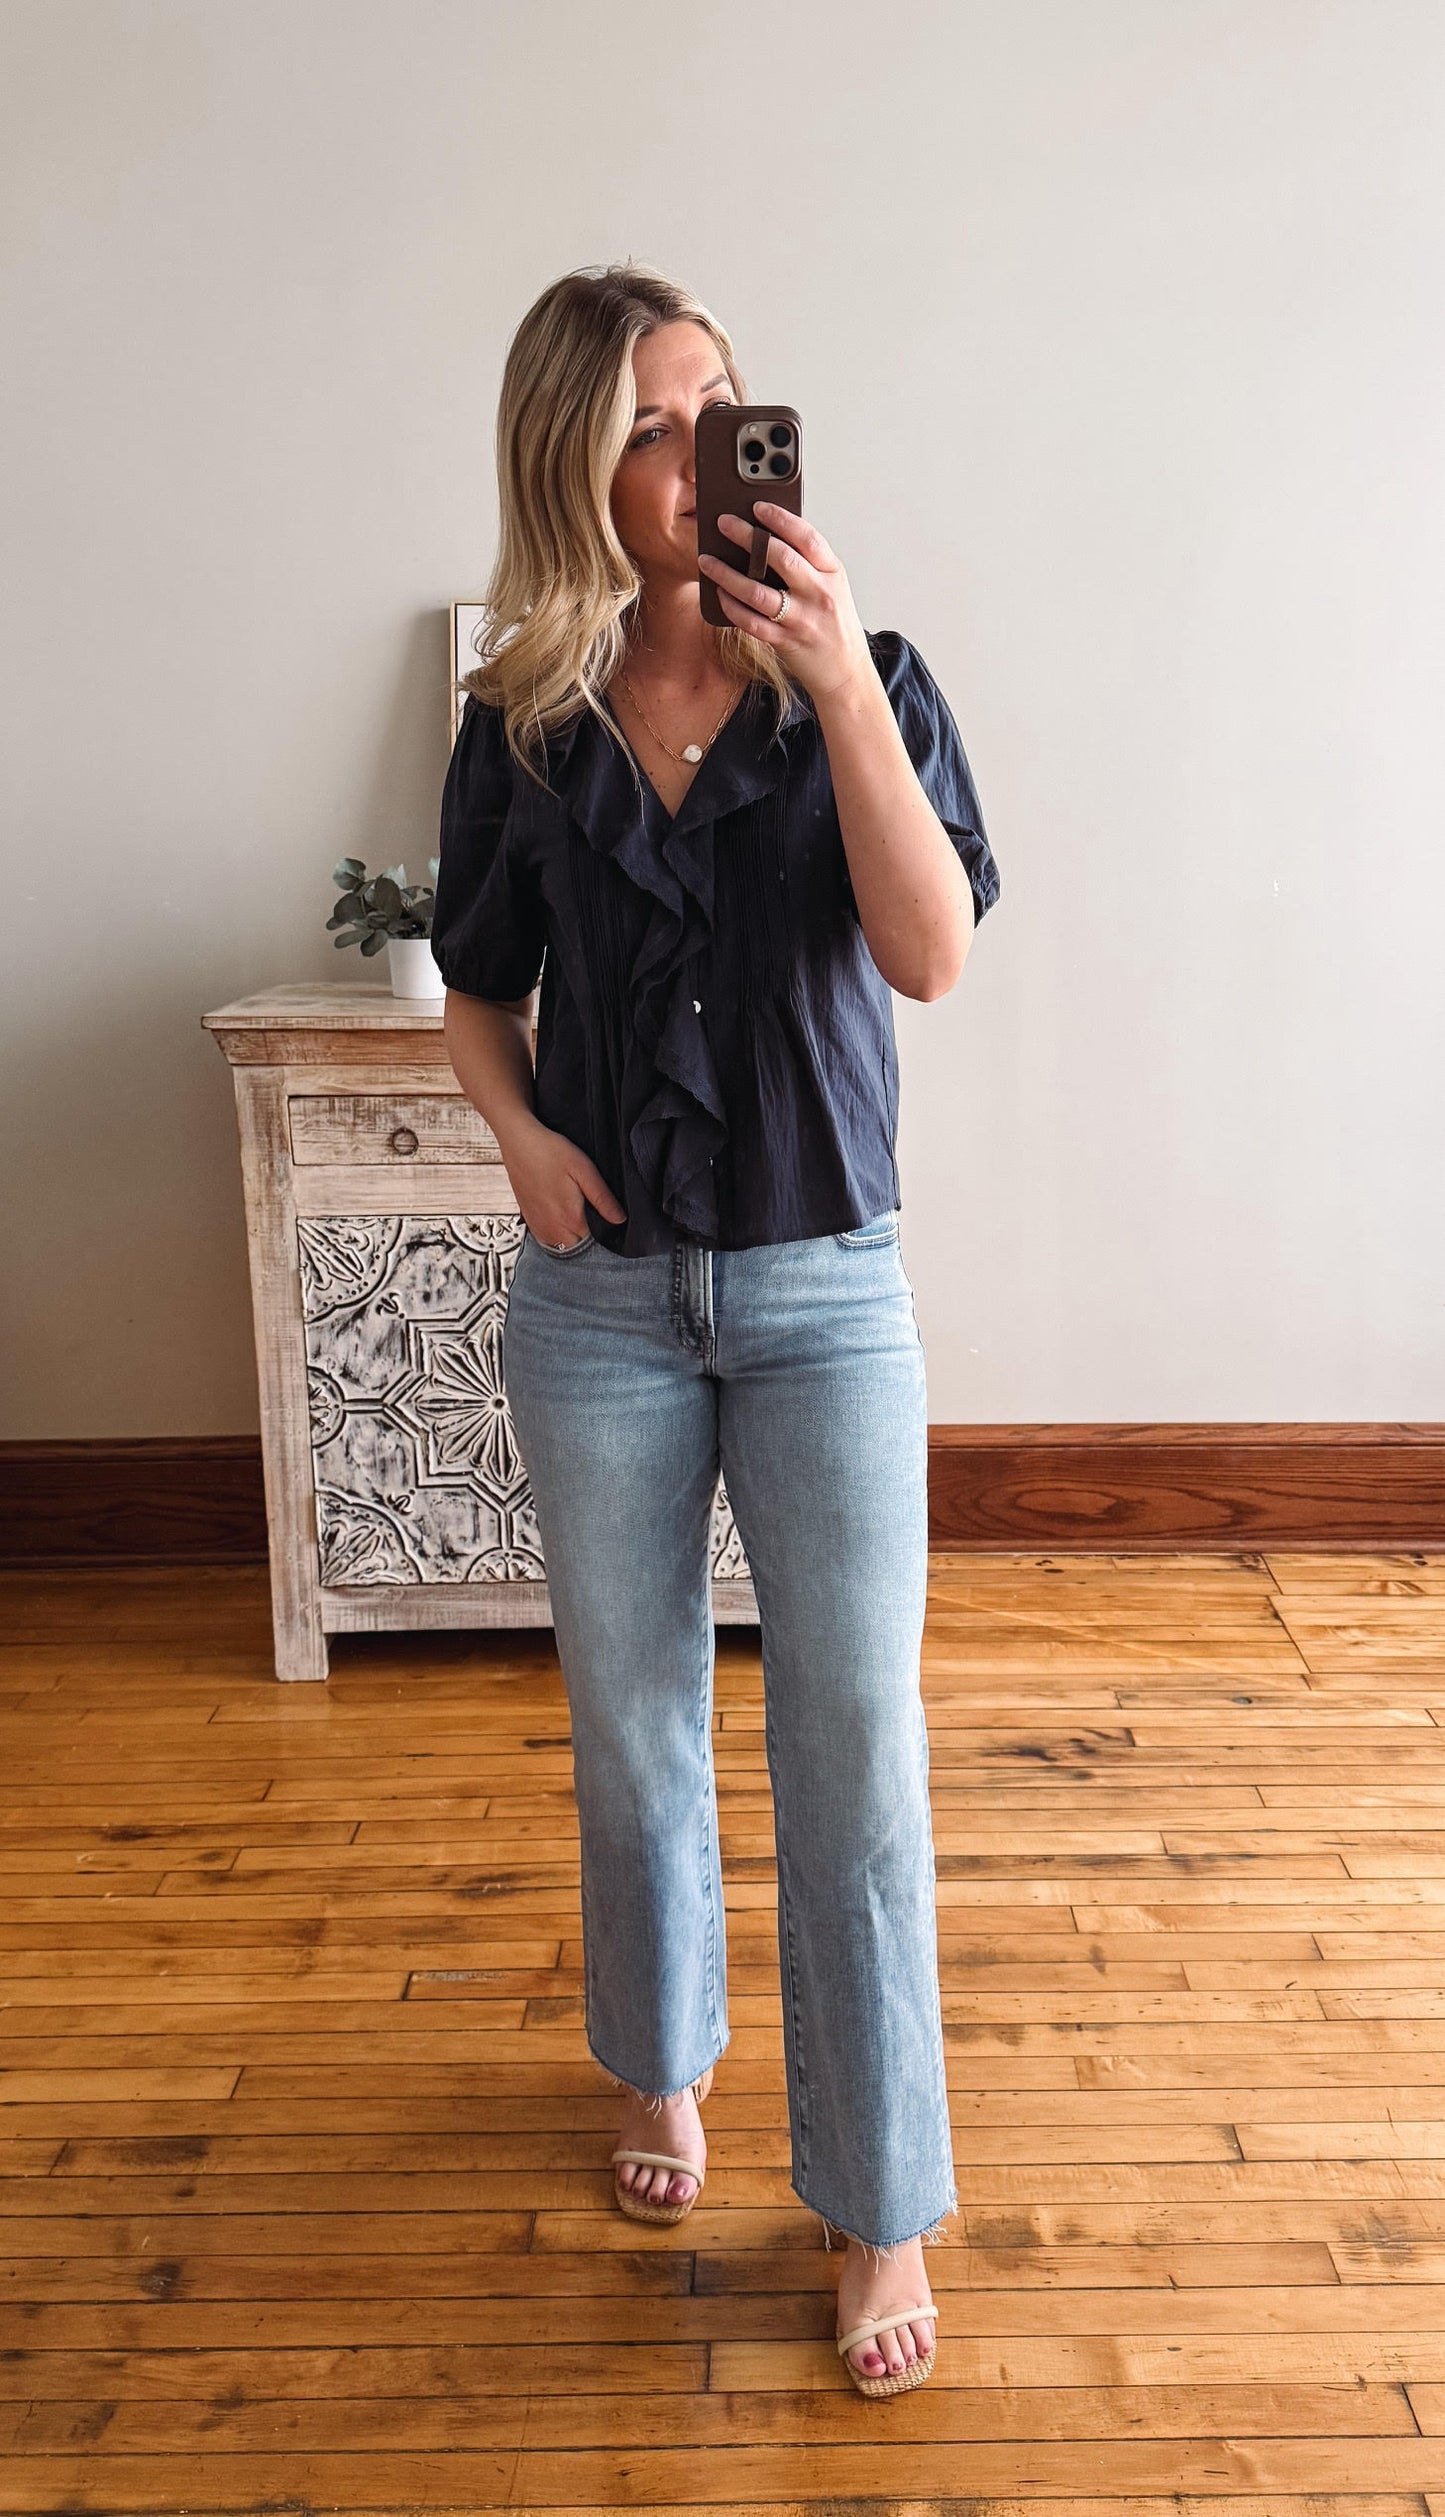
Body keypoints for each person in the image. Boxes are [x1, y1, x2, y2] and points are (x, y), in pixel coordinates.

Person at [431, 262, 1001, 2400]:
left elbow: (930, 955)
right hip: (598, 1304)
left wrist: (836, 681)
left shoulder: (868, 674)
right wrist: (517, 1138)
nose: (699, 459)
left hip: (823, 1287)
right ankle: (660, 2056)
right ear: (575, 465)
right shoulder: (524, 720)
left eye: (723, 412)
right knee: (635, 1723)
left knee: (853, 1759)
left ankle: (879, 2197)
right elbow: (472, 979)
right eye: (653, 427)